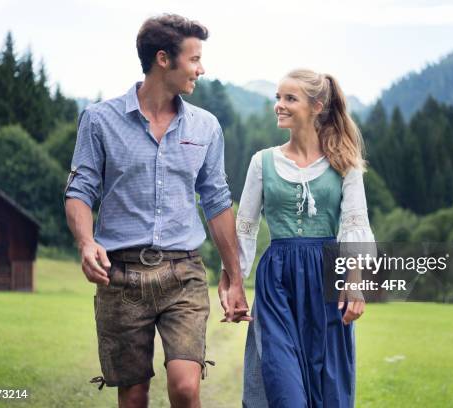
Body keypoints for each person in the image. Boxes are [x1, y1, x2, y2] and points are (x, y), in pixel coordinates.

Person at [64, 14, 250, 408]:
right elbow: (80, 190)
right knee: (133, 397)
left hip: (183, 274)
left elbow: (216, 201)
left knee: (185, 387)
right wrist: (85, 242)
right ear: (163, 59)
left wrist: (235, 276)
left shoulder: (206, 126)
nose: (202, 68)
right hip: (121, 277)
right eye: (194, 58)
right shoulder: (99, 120)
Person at [222, 69, 376, 407]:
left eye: (289, 98)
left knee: (329, 391)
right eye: (278, 97)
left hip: (327, 283)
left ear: (316, 106)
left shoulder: (345, 164)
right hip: (277, 282)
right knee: (284, 389)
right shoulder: (262, 162)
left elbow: (354, 225)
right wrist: (233, 283)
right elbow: (244, 229)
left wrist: (356, 284)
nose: (279, 105)